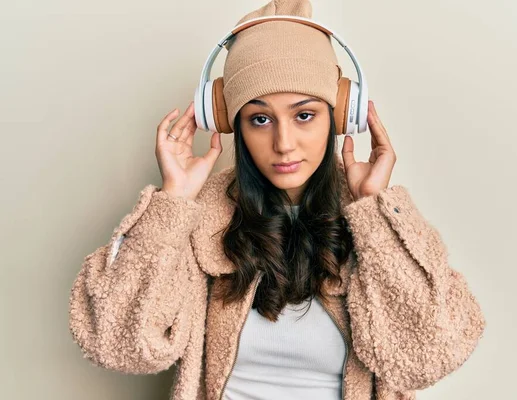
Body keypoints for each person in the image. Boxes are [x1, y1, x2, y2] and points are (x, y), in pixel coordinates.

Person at [68, 1, 487, 399]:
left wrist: (376, 212)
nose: (284, 143)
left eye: (304, 115)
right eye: (260, 119)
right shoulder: (201, 220)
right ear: (233, 123)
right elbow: (116, 342)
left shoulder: (370, 222)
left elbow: (434, 353)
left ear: (341, 116)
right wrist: (172, 200)